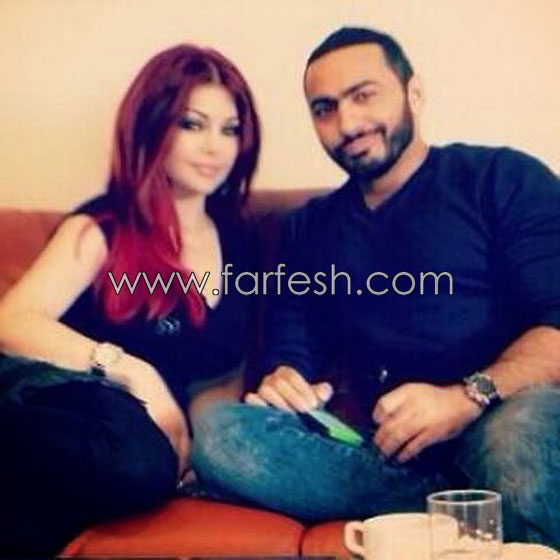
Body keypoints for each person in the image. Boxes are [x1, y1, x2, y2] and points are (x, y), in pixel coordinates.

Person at [190, 27, 560, 548]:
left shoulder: (502, 178)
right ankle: (462, 505)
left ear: (413, 93)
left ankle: (457, 507)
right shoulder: (308, 227)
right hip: (379, 453)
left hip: (495, 418)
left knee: (520, 431)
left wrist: (464, 398)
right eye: (325, 109)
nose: (347, 124)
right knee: (219, 433)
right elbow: (292, 343)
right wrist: (286, 381)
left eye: (364, 95)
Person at [0, 43, 260, 556]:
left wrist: (206, 450)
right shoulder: (104, 225)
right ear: (151, 125)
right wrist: (133, 372)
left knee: (145, 464)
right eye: (192, 124)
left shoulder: (240, 239)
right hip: (65, 401)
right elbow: (12, 320)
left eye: (230, 129)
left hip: (129, 443)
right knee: (137, 461)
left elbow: (221, 375)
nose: (215, 147)